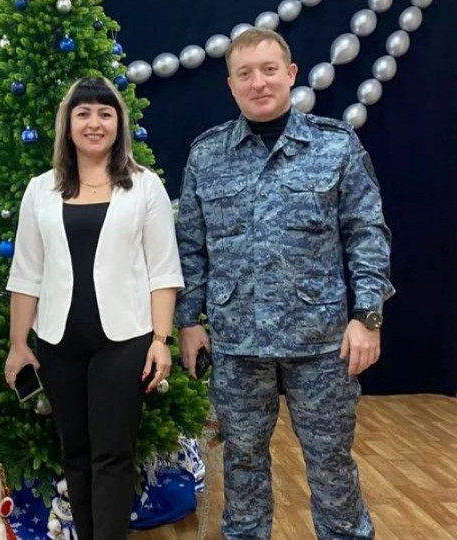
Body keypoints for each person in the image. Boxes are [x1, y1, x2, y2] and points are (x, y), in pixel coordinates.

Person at [176, 29, 394, 540]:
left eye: (269, 70)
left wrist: (367, 317)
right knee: (242, 461)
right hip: (236, 341)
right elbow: (190, 247)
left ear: (290, 74)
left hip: (321, 342)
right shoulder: (207, 154)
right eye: (245, 74)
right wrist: (188, 322)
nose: (259, 83)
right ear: (231, 85)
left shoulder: (335, 145)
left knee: (330, 462)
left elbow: (367, 233)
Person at [4, 76, 184, 540]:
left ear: (119, 123)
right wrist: (18, 344)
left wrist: (160, 340)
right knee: (76, 455)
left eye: (105, 113)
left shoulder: (145, 187)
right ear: (68, 124)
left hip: (124, 341)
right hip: (57, 341)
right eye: (83, 113)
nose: (94, 123)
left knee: (113, 455)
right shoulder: (40, 190)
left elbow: (163, 270)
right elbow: (26, 273)